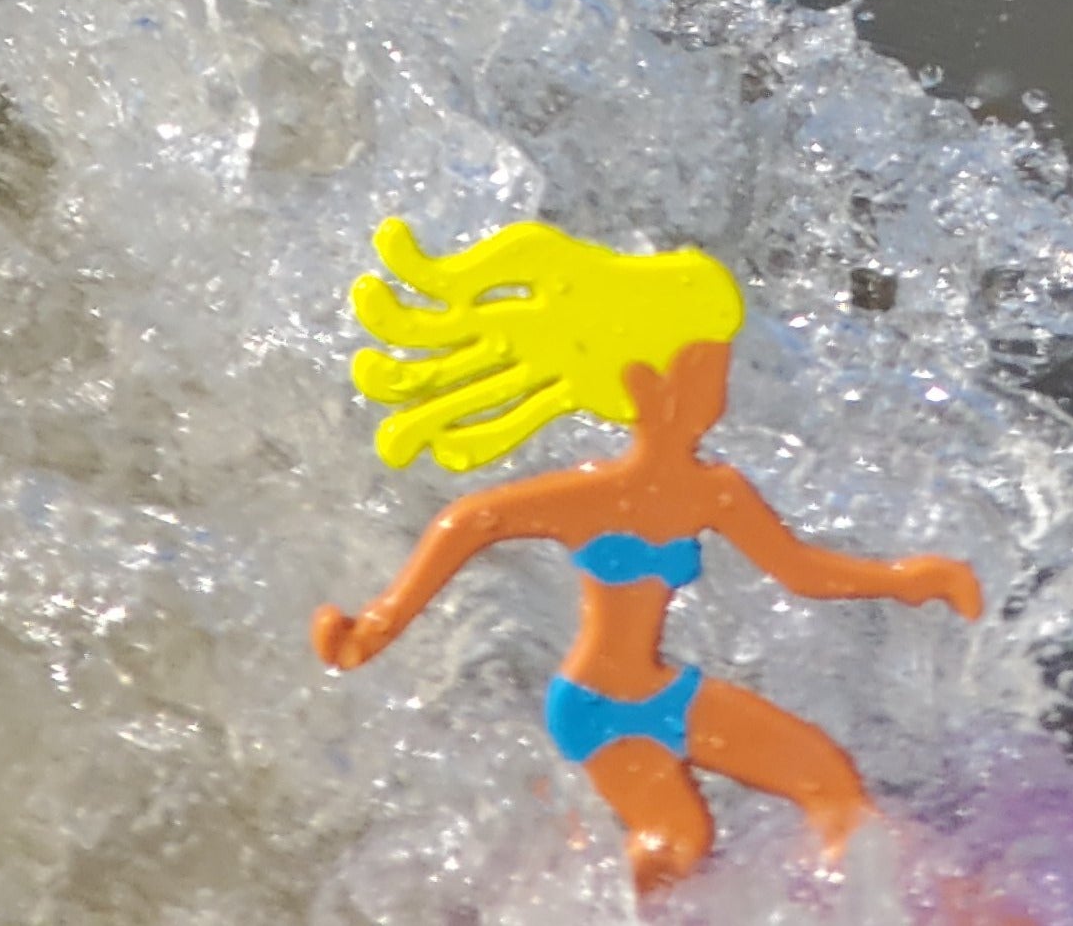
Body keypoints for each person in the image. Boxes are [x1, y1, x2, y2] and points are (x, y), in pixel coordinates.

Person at [310, 216, 984, 895]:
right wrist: (377, 625)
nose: (718, 395)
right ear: (644, 384)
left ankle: (902, 902)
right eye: (704, 374)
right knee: (680, 844)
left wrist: (905, 579)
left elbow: (801, 571)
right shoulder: (595, 495)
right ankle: (555, 905)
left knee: (821, 781)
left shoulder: (713, 493)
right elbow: (470, 522)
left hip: (660, 692)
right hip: (594, 703)